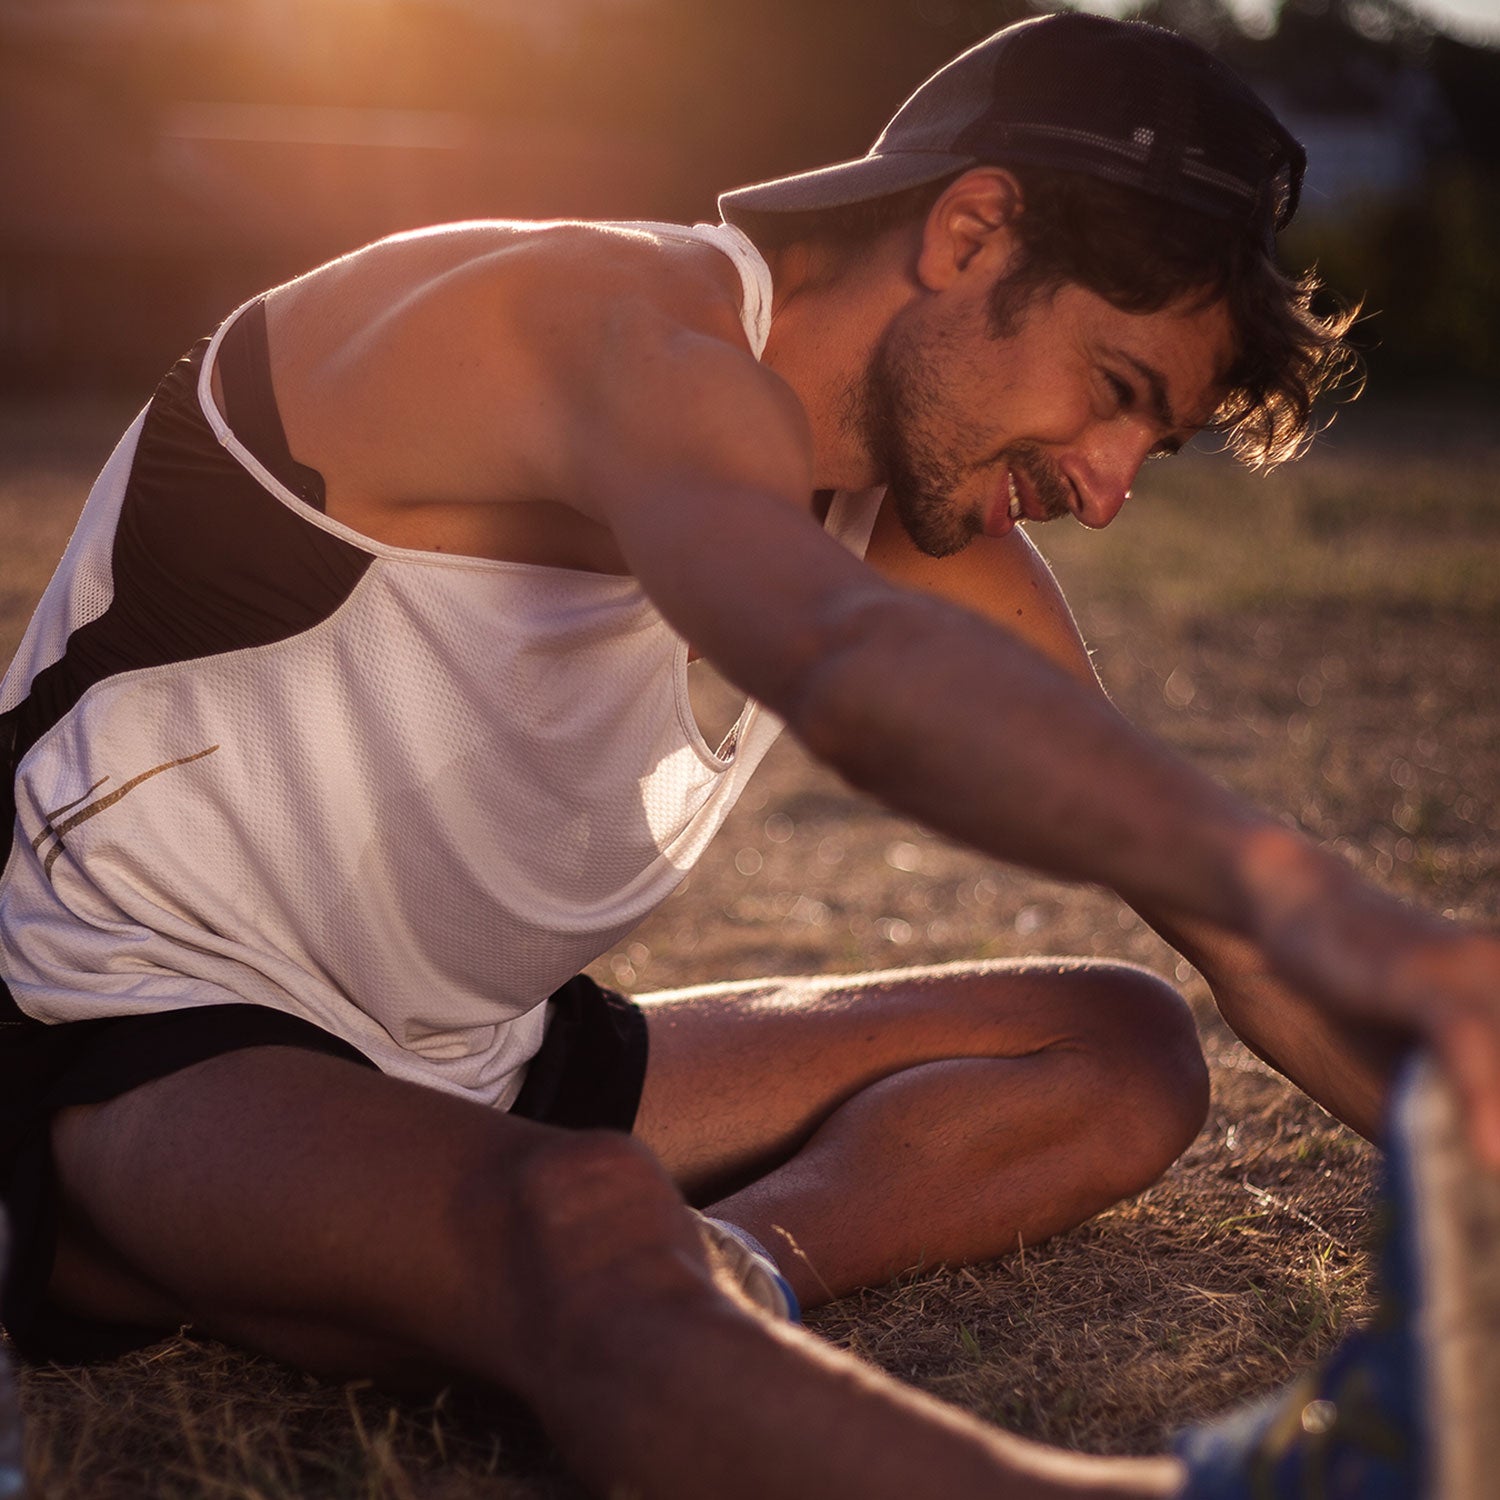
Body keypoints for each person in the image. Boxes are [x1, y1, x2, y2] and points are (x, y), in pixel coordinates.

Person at [1, 10, 1497, 1497]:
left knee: (1121, 1048)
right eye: (1115, 392)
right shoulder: (598, 328)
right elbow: (837, 658)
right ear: (974, 233)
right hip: (121, 1040)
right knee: (579, 1219)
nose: (1107, 489)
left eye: (1148, 447)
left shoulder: (910, 507)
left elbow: (1235, 938)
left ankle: (715, 1281)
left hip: (468, 1067)